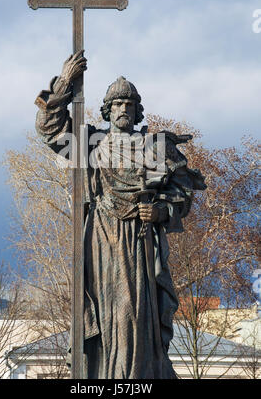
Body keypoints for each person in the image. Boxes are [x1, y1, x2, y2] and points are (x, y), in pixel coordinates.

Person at [35, 51, 206, 379]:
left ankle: (133, 378)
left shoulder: (152, 147)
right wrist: (63, 84)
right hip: (101, 238)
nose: (123, 109)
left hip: (138, 242)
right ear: (107, 110)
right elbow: (49, 129)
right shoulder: (91, 145)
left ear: (137, 110)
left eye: (129, 104)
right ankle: (103, 377)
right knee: (105, 312)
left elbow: (182, 193)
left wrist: (160, 211)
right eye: (117, 104)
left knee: (134, 314)